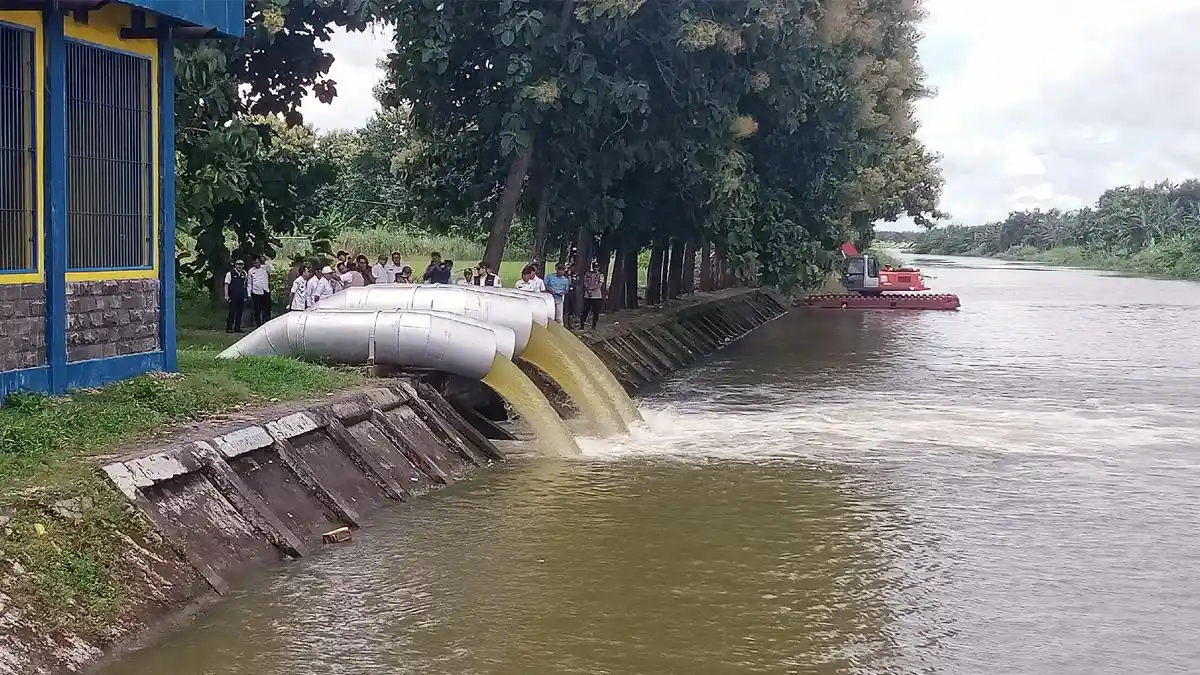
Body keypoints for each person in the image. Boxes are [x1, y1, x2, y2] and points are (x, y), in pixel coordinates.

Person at [223, 259, 250, 333]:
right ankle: (229, 328)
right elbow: (226, 285)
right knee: (232, 312)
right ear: (235, 265)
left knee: (239, 312)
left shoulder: (244, 273)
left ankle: (237, 327)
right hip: (232, 295)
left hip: (241, 296)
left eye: (241, 265)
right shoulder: (230, 273)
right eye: (238, 264)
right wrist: (226, 295)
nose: (240, 266)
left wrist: (245, 296)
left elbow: (244, 285)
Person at [579, 262, 605, 330]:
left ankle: (594, 325)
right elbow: (585, 283)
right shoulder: (588, 274)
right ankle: (582, 325)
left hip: (597, 295)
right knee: (585, 311)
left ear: (598, 268)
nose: (595, 268)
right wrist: (588, 290)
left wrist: (591, 289)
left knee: (596, 312)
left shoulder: (600, 275)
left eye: (597, 267)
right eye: (594, 267)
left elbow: (599, 285)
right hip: (588, 295)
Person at [248, 255, 271, 327]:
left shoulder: (265, 268)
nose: (257, 264)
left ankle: (266, 323)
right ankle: (258, 325)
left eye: (258, 262)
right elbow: (249, 283)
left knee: (266, 309)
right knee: (257, 310)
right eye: (255, 263)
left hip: (265, 291)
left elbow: (272, 269)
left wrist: (264, 260)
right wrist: (249, 294)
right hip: (256, 292)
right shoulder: (251, 271)